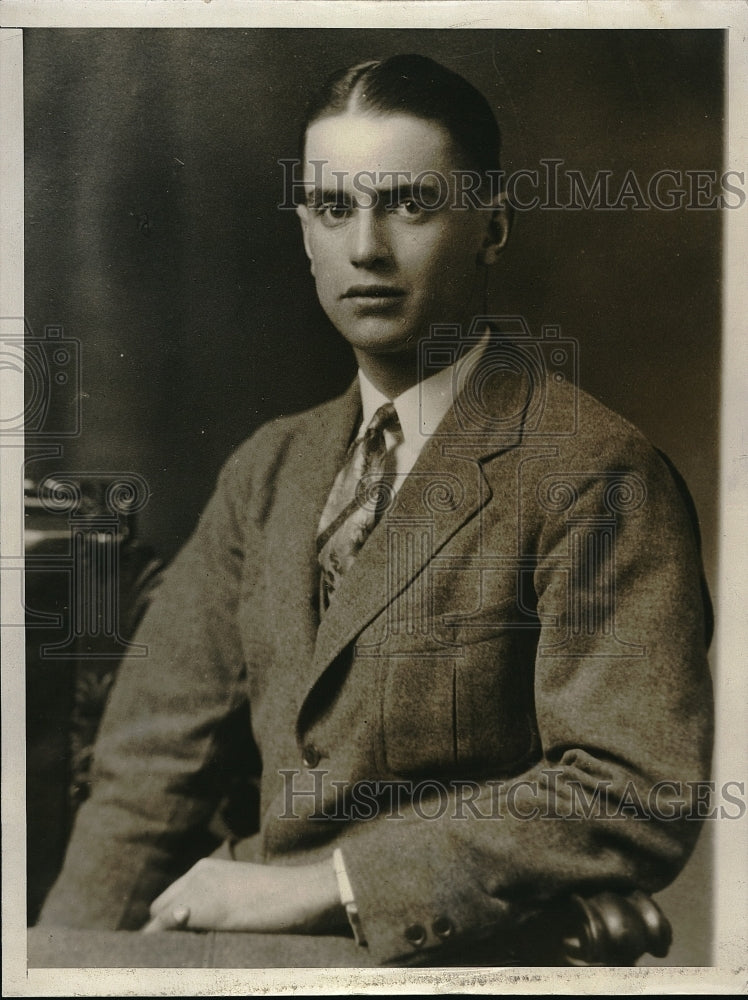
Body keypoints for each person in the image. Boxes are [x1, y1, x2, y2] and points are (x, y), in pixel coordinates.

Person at [37, 54, 713, 967]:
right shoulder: (269, 469)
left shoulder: (595, 473)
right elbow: (148, 770)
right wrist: (59, 959)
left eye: (411, 203)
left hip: (454, 954)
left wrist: (331, 881)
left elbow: (631, 791)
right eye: (332, 208)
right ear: (304, 234)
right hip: (244, 954)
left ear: (492, 226)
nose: (366, 247)